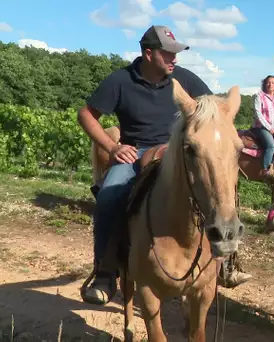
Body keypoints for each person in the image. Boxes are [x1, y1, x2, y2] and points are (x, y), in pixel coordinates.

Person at [77, 25, 252, 305]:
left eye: (176, 53)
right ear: (148, 53)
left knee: (219, 183)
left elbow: (213, 110)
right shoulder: (120, 81)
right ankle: (105, 271)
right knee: (109, 195)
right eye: (168, 53)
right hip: (135, 153)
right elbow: (86, 114)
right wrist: (112, 147)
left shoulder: (184, 79)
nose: (175, 59)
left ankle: (227, 261)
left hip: (177, 150)